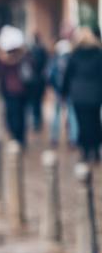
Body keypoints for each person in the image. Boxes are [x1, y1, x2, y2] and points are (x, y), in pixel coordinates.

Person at [62, 27, 102, 162]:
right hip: (96, 94)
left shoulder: (75, 55)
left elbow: (67, 76)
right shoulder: (99, 54)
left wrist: (64, 92)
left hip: (79, 95)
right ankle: (95, 150)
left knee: (82, 123)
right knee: (95, 121)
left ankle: (85, 150)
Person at [0, 25, 30, 146]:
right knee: (19, 115)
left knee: (15, 115)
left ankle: (17, 136)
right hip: (18, 90)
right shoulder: (20, 56)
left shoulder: (9, 58)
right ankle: (19, 137)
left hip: (13, 90)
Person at [47, 39, 77, 147]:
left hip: (58, 91)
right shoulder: (72, 60)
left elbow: (49, 75)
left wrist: (54, 88)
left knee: (56, 115)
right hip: (70, 91)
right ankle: (73, 138)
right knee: (72, 114)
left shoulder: (55, 60)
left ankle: (54, 138)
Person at [28, 33, 49, 131]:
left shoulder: (33, 50)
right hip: (38, 81)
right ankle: (37, 120)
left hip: (35, 81)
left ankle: (37, 121)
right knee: (37, 102)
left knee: (35, 102)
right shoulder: (39, 50)